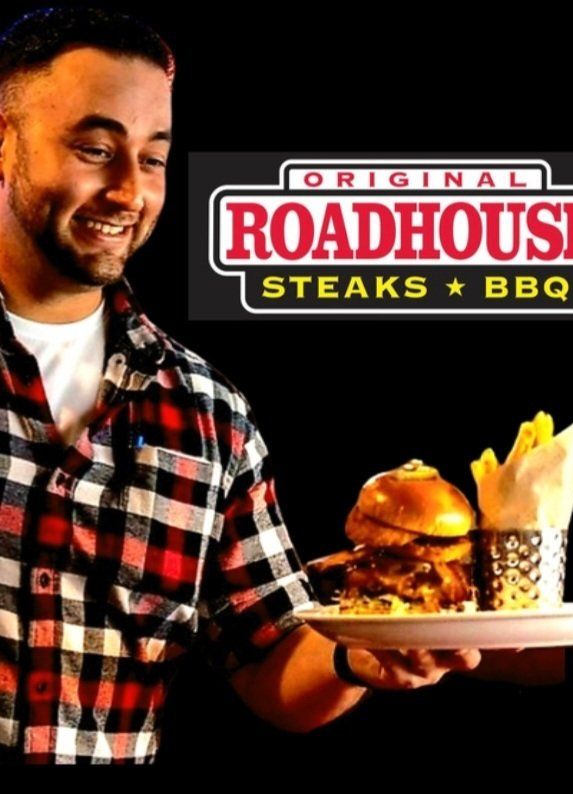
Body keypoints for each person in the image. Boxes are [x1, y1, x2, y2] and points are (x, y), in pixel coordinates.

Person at [0, 8, 483, 764]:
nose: (129, 192)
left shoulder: (208, 417)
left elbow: (270, 657)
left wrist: (357, 655)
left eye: (153, 159)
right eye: (95, 149)